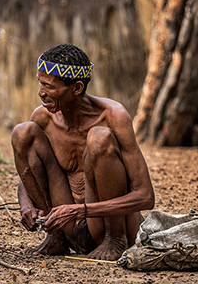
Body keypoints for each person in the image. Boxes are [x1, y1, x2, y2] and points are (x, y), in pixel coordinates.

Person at [11, 43, 154, 260]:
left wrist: (80, 210)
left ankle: (115, 240)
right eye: (40, 83)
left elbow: (145, 196)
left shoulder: (113, 116)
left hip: (108, 225)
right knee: (23, 132)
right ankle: (56, 237)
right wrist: (25, 203)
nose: (41, 92)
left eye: (49, 86)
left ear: (76, 88)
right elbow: (30, 170)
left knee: (98, 138)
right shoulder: (43, 118)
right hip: (66, 223)